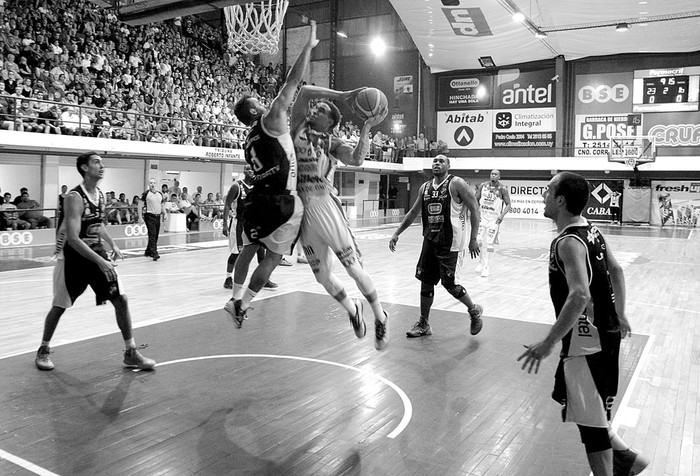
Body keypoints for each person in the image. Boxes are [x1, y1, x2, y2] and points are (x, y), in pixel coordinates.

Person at [517, 172, 649, 476]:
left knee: (591, 427)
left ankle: (623, 466)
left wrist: (548, 343)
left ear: (561, 200)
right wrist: (621, 313)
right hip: (605, 334)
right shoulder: (592, 231)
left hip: (586, 343)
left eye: (548, 191)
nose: (544, 196)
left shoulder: (567, 243)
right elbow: (616, 270)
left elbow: (578, 295)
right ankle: (630, 461)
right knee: (590, 412)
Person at [224, 20, 319, 327]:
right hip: (281, 200)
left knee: (250, 248)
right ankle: (243, 303)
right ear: (254, 112)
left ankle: (234, 296)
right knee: (275, 256)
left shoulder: (247, 138)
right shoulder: (273, 117)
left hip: (256, 201)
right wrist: (308, 47)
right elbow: (293, 81)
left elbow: (252, 175)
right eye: (257, 102)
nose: (263, 102)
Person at [35, 151, 155, 371]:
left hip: (96, 254)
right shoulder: (74, 197)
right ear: (83, 168)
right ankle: (43, 349)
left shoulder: (99, 194)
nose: (102, 166)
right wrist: (101, 261)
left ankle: (131, 352)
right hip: (73, 259)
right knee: (59, 306)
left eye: (102, 162)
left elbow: (98, 225)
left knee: (121, 299)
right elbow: (72, 238)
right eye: (96, 162)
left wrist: (113, 246)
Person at [291, 84, 390, 350]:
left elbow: (357, 159)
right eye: (316, 107)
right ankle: (353, 309)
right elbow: (304, 93)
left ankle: (380, 316)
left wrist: (366, 129)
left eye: (321, 110)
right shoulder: (298, 127)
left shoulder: (333, 144)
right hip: (302, 210)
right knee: (322, 276)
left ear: (331, 123)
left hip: (324, 204)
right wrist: (341, 95)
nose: (314, 110)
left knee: (353, 268)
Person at [389, 154, 483, 338]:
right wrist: (397, 232)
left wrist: (473, 239)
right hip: (430, 240)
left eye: (441, 161)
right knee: (425, 281)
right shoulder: (424, 187)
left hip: (451, 242)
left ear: (448, 165)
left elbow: (474, 209)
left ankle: (473, 311)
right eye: (435, 161)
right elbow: (414, 211)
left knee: (450, 284)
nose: (437, 163)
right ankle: (424, 323)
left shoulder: (457, 184)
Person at [222, 166, 277, 291]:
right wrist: (225, 224)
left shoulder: (259, 186)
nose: (250, 171)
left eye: (252, 169)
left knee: (261, 252)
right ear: (243, 172)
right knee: (237, 253)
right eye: (247, 169)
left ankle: (264, 279)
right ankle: (228, 278)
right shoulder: (237, 186)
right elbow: (227, 205)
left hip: (256, 224)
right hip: (239, 224)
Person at [474, 169, 511, 277]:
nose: (493, 176)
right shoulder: (483, 186)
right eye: (492, 174)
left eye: (495, 174)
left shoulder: (502, 189)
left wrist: (502, 215)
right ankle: (481, 261)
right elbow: (475, 199)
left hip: (494, 220)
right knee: (479, 240)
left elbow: (508, 204)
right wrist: (476, 212)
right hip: (483, 217)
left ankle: (486, 266)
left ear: (499, 177)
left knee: (489, 243)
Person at [140, 178, 166, 260]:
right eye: (151, 183)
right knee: (152, 234)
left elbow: (162, 205)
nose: (152, 184)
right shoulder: (145, 194)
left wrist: (165, 213)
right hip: (149, 216)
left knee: (156, 235)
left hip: (158, 216)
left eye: (154, 183)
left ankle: (148, 251)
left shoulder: (159, 194)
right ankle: (154, 252)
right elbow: (139, 205)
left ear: (156, 184)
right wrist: (140, 217)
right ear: (148, 184)